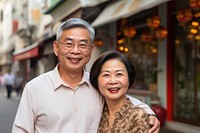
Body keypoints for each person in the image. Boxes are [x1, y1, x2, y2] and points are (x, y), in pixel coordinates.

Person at [12, 18, 159, 133]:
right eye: (69, 44)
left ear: (91, 49)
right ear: (56, 48)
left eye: (83, 45)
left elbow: (124, 99)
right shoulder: (35, 88)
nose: (76, 51)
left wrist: (148, 113)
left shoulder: (97, 84)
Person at [90, 50, 150, 132]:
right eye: (106, 75)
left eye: (119, 74)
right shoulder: (97, 113)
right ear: (97, 81)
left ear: (129, 79)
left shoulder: (138, 117)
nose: (113, 81)